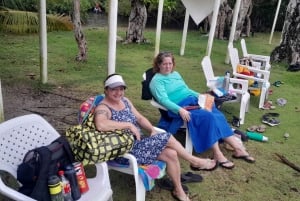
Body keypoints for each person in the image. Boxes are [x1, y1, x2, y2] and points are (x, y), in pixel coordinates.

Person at [93, 73, 218, 201]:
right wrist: (129, 125)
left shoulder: (125, 101)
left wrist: (151, 129)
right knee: (166, 137)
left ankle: (179, 191)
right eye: (114, 89)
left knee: (171, 154)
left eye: (121, 89)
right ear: (106, 90)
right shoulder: (103, 107)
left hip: (140, 145)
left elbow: (140, 118)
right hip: (125, 151)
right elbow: (101, 124)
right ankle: (194, 161)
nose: (118, 92)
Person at [149, 51, 255, 169]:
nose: (168, 66)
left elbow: (187, 90)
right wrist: (180, 110)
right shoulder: (156, 81)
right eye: (164, 64)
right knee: (207, 117)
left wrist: (202, 96)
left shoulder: (175, 74)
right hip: (181, 107)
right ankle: (217, 154)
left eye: (170, 63)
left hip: (193, 101)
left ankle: (238, 148)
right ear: (158, 65)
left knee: (216, 114)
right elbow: (163, 100)